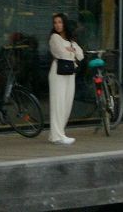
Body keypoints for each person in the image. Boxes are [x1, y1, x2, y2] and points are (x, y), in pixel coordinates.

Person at [47, 13, 84, 146]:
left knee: (67, 103)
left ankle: (57, 133)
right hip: (58, 72)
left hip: (69, 73)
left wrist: (71, 50)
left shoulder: (70, 40)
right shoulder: (54, 37)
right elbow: (60, 53)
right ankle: (58, 136)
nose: (57, 25)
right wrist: (71, 52)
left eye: (60, 22)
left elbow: (80, 55)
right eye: (55, 22)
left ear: (65, 24)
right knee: (58, 103)